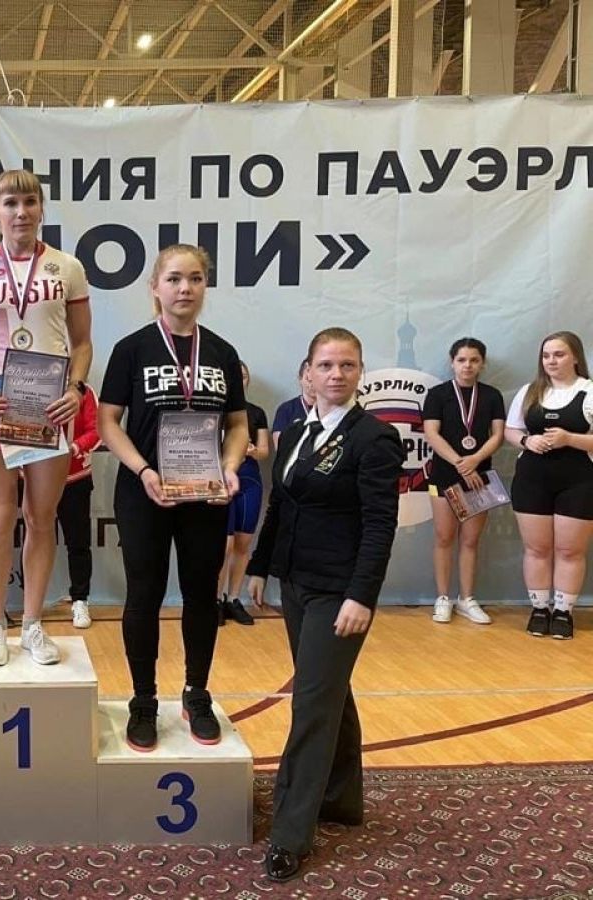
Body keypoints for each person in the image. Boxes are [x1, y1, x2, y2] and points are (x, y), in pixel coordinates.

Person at [245, 327, 404, 883]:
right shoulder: (293, 433)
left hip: (339, 592)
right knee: (330, 689)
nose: (337, 375)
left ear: (360, 372)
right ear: (308, 372)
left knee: (312, 703)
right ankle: (341, 798)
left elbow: (380, 526)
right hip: (296, 583)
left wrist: (362, 595)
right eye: (327, 365)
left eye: (348, 365)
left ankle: (290, 833)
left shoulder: (375, 439)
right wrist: (260, 565)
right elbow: (280, 507)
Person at [97, 244, 248, 752]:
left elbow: (238, 424)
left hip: (204, 494)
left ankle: (196, 692)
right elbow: (107, 422)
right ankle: (143, 700)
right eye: (175, 279)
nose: (186, 288)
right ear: (155, 287)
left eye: (196, 279)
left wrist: (230, 467)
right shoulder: (132, 349)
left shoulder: (222, 352)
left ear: (205, 286)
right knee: (144, 594)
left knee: (202, 594)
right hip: (146, 491)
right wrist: (142, 469)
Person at [0, 168, 92, 666]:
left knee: (41, 517)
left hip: (49, 404)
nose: (20, 212)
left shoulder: (67, 267)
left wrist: (75, 389)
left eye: (29, 202)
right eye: (10, 203)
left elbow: (82, 343)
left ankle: (32, 623)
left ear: (41, 209)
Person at [505, 331, 593, 641]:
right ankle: (540, 609)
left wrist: (571, 439)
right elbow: (511, 430)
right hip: (532, 479)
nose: (551, 361)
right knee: (537, 548)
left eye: (559, 354)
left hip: (578, 480)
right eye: (546, 356)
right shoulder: (530, 391)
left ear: (575, 357)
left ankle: (563, 612)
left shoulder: (589, 391)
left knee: (569, 550)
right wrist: (527, 441)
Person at [422, 338, 505, 625]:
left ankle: (467, 599)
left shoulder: (492, 395)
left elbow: (498, 435)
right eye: (461, 360)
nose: (467, 365)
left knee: (470, 540)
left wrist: (475, 461)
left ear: (482, 363)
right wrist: (461, 463)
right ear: (452, 362)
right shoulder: (438, 394)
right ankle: (443, 597)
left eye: (474, 360)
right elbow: (431, 433)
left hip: (479, 477)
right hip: (444, 475)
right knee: (444, 537)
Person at [217, 361, 270, 627]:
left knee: (242, 543)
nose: (239, 379)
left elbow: (264, 451)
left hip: (249, 479)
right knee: (223, 545)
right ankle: (215, 599)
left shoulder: (257, 413)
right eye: (234, 375)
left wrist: (250, 450)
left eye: (244, 375)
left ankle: (234, 598)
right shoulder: (213, 410)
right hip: (221, 479)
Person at [57, 383, 101, 629]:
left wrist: (74, 448)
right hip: (33, 478)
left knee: (78, 543)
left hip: (75, 478)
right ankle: (32, 604)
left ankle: (80, 600)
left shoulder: (84, 391)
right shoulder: (28, 379)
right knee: (34, 539)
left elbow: (97, 429)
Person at [271, 358, 314, 449]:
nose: (312, 385)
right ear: (300, 379)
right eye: (308, 380)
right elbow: (279, 446)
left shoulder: (331, 408)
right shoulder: (286, 409)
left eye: (316, 380)